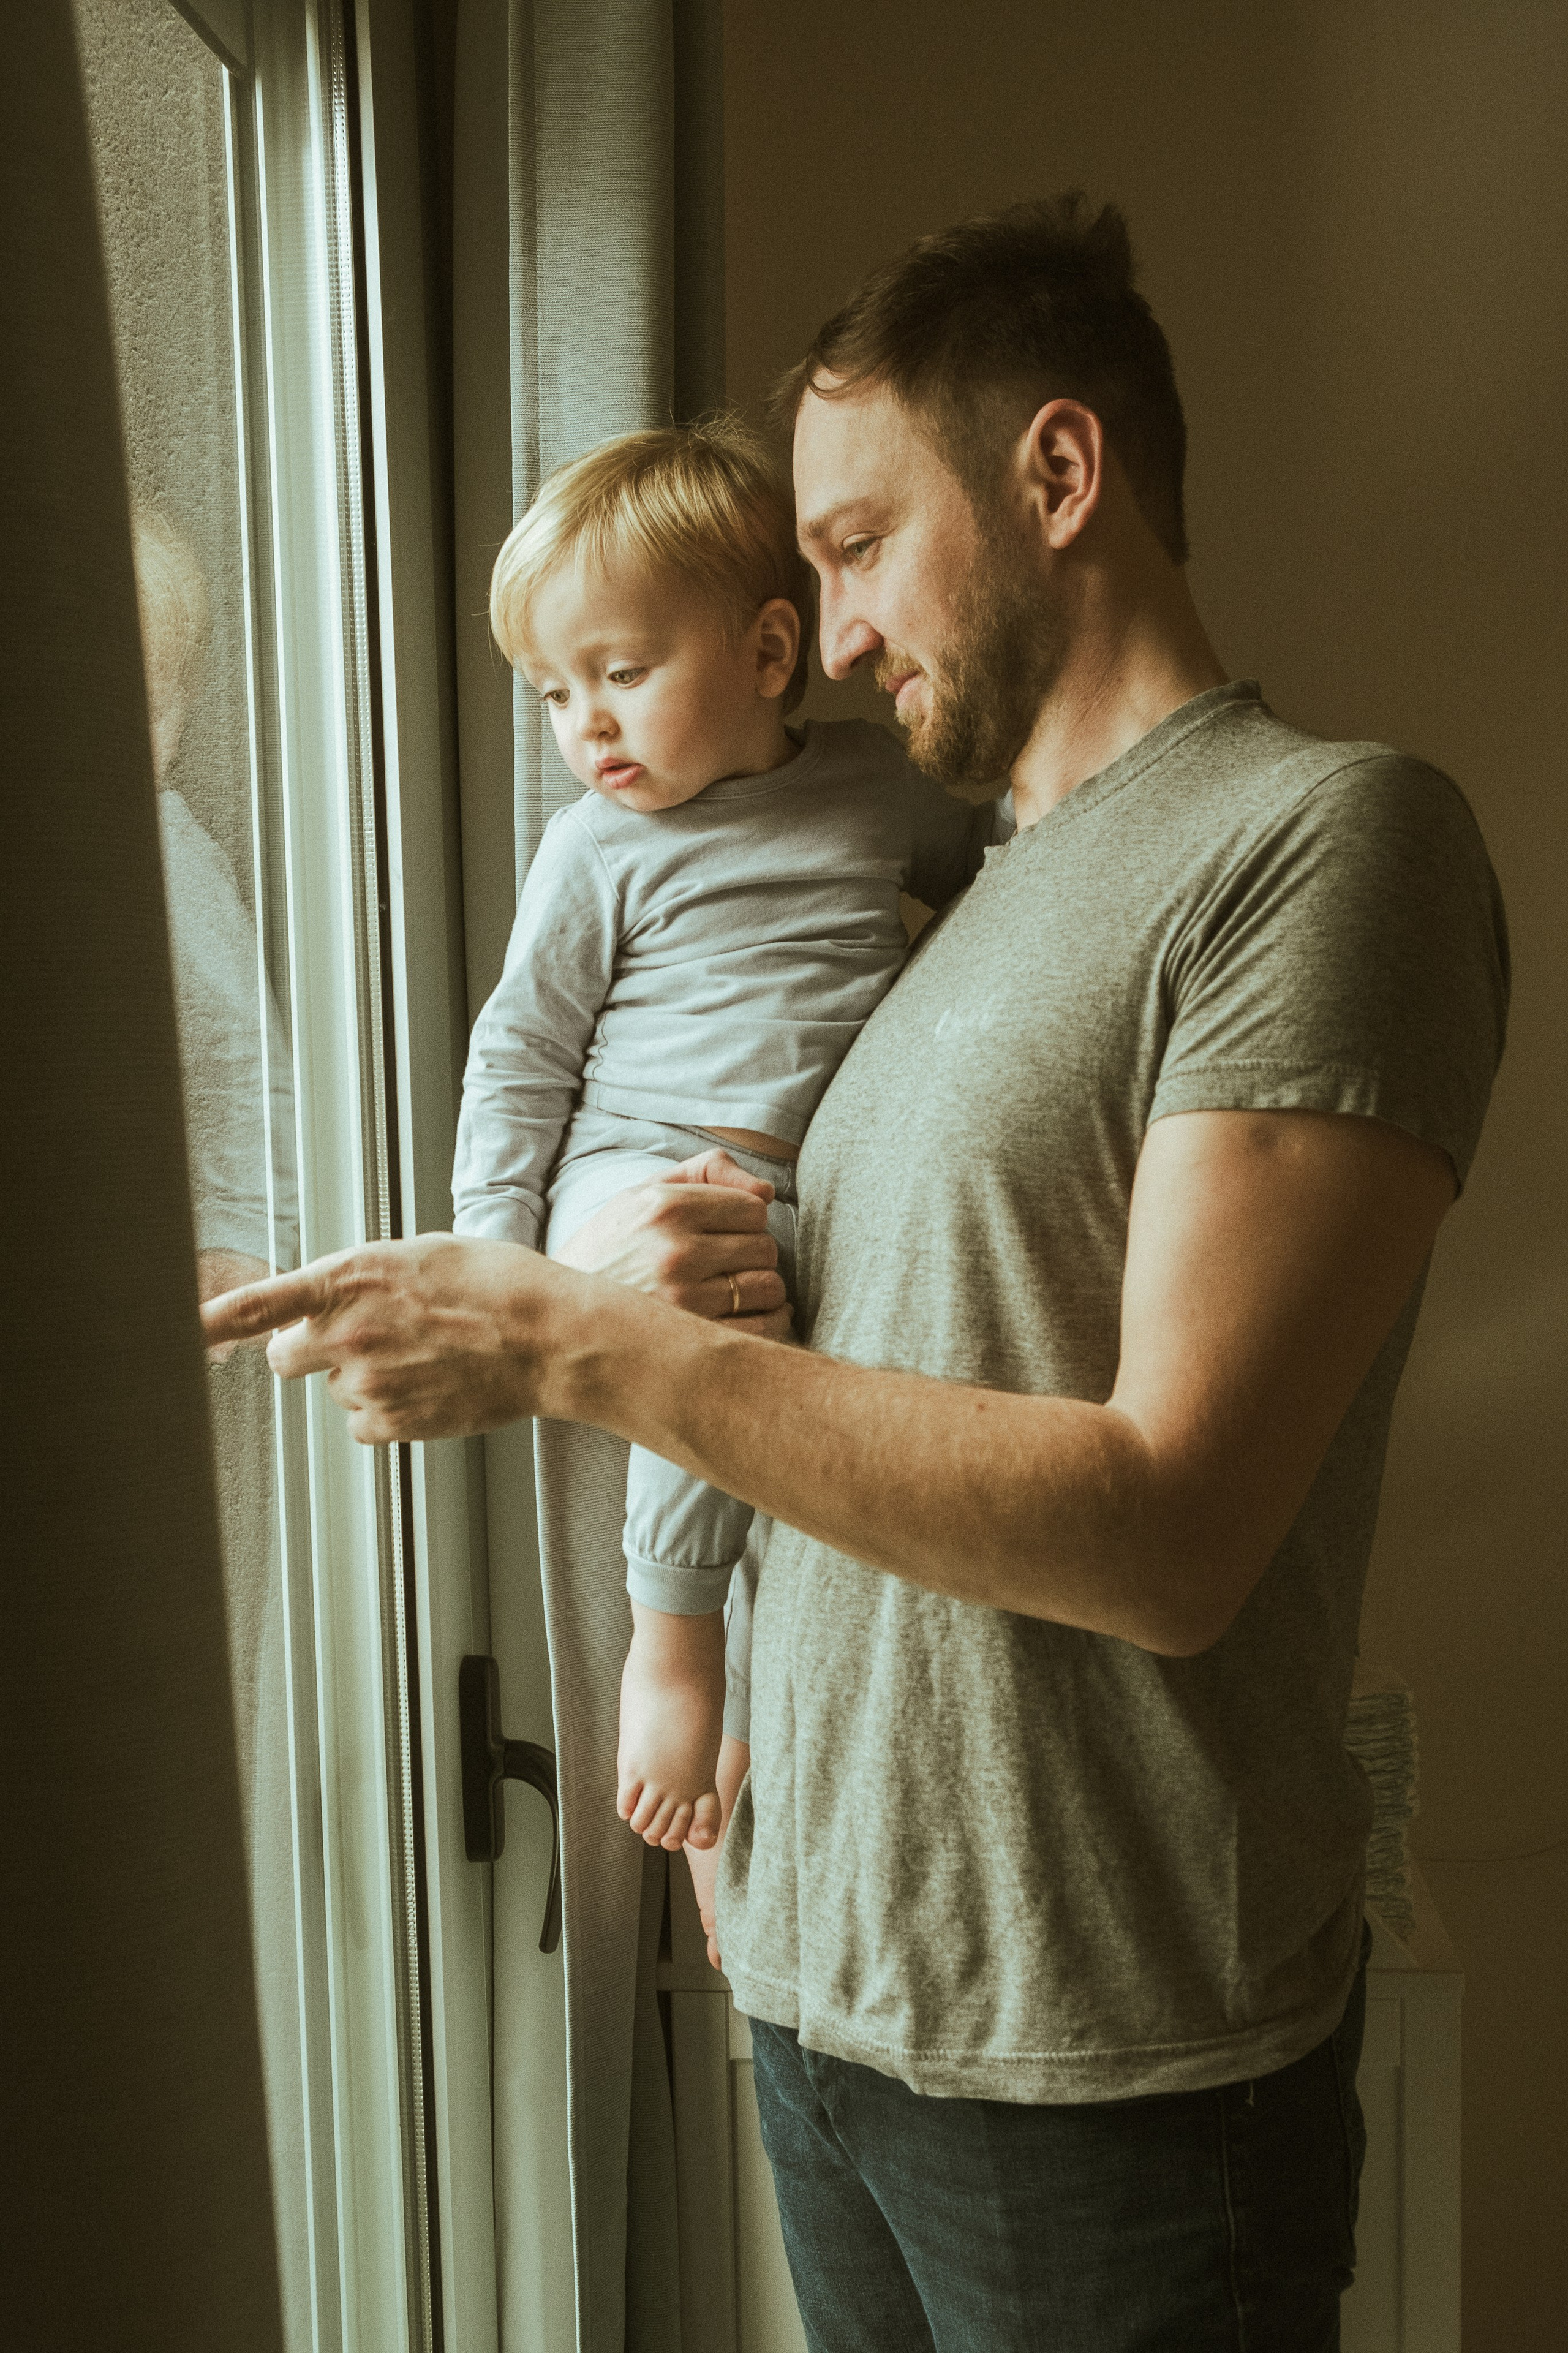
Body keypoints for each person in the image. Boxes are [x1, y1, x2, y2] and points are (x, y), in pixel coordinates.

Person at [206, 194, 1509, 2347]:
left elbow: (1174, 1529)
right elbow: (901, 1347)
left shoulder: (1320, 841)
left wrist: (583, 1345)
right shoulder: (965, 892)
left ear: (1061, 479)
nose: (820, 616)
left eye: (856, 541)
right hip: (822, 1999)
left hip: (1103, 2063)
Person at [451, 415, 993, 1860]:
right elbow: (520, 1052)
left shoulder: (880, 790)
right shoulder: (593, 848)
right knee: (708, 1293)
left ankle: (746, 1712)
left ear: (766, 656)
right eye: (557, 692)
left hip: (793, 1201)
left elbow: (999, 874)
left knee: (803, 1418)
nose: (587, 728)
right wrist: (496, 1256)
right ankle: (672, 1642)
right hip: (631, 1179)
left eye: (621, 673)